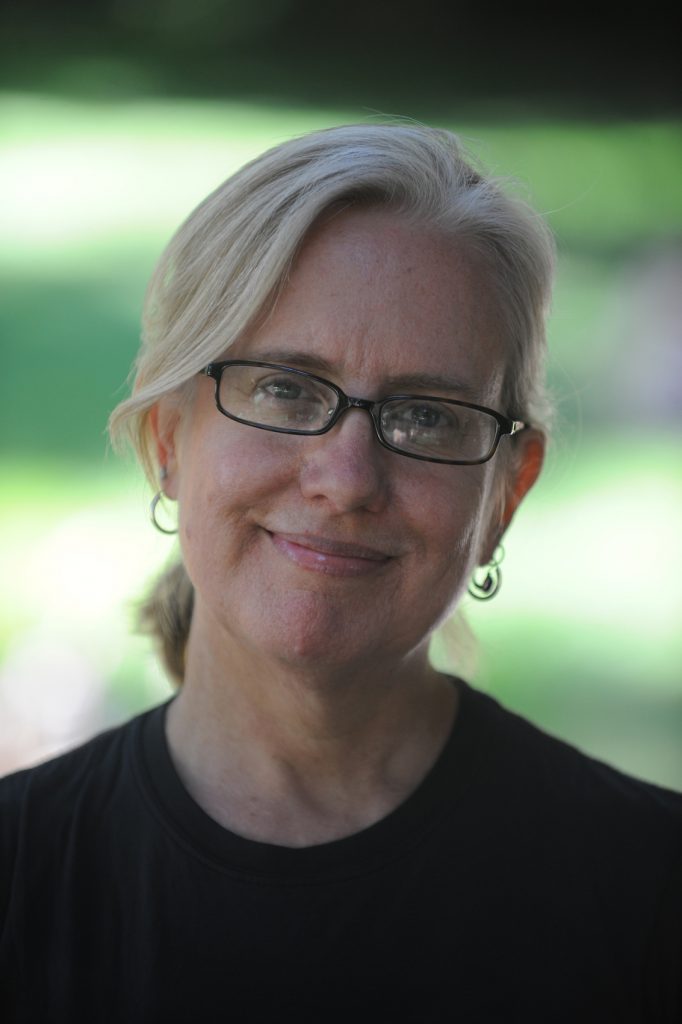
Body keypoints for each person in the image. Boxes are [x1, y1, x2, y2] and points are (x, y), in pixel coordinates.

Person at [1, 123, 680, 1023]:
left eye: (429, 416)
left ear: (505, 496)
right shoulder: (19, 873)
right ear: (169, 441)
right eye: (286, 388)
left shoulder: (651, 895)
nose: (348, 480)